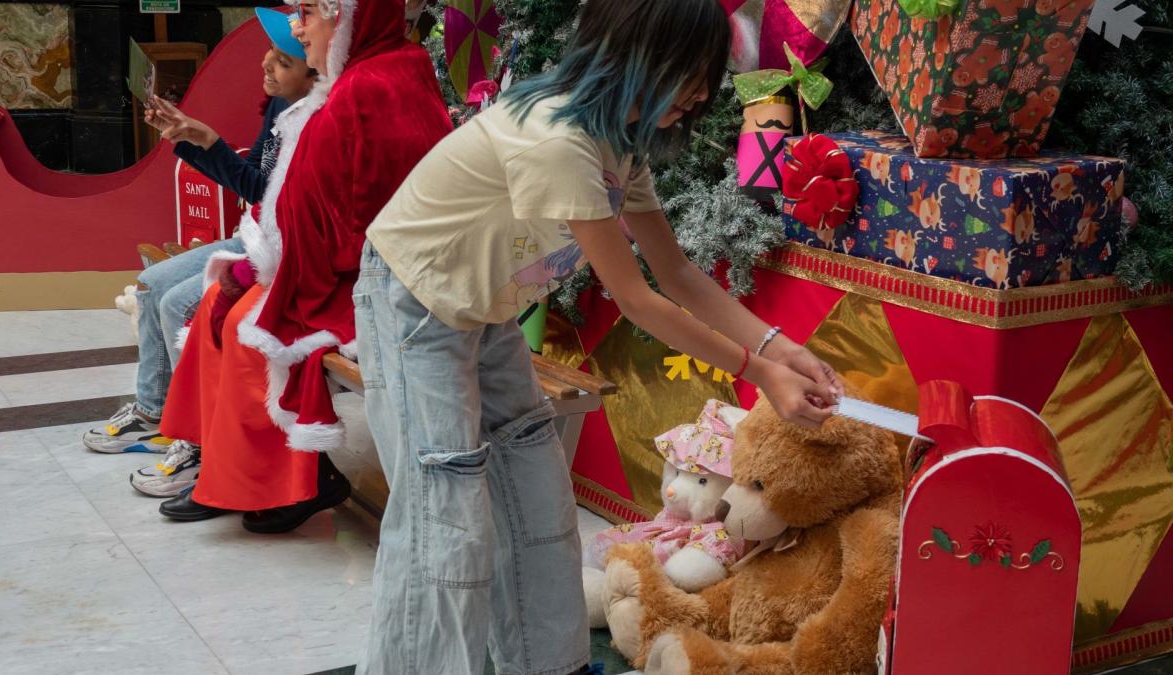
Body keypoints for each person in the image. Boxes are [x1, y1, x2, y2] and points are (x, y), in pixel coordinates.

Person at [354, 0, 843, 672]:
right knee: (447, 524)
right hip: (414, 304)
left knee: (536, 496)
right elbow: (637, 298)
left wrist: (779, 347)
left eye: (707, 76)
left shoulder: (619, 141)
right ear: (640, 54)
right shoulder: (559, 141)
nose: (703, 94)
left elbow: (676, 271)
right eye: (692, 74)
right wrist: (757, 373)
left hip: (484, 308)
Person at [154, 0, 451, 534]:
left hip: (361, 278)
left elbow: (357, 214)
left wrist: (262, 269)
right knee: (213, 315)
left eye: (308, 12)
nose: (295, 27)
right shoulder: (353, 82)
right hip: (327, 261)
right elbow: (290, 196)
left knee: (250, 333)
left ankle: (290, 485)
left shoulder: (366, 86)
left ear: (349, 17)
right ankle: (220, 470)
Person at [80, 7, 318, 500]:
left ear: (313, 71)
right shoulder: (280, 107)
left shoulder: (318, 119)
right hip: (256, 234)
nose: (267, 68)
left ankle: (203, 441)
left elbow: (273, 198)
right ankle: (154, 409)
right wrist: (194, 139)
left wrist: (206, 139)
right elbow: (256, 184)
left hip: (280, 252)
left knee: (177, 304)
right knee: (151, 285)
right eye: (268, 57)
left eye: (282, 62)